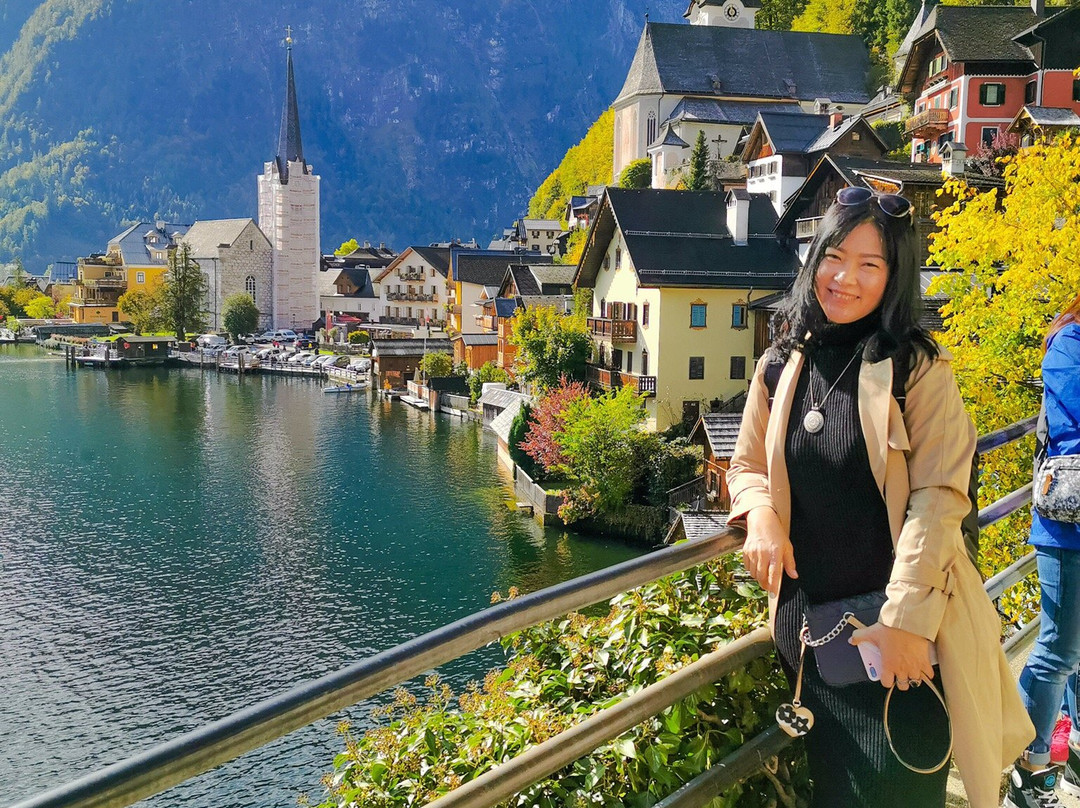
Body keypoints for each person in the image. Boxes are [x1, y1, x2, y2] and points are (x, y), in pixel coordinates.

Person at [727, 187, 1033, 808]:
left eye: (870, 265)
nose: (845, 278)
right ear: (814, 259)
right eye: (835, 256)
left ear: (894, 279)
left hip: (894, 641)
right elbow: (747, 463)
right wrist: (758, 510)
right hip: (810, 639)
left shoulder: (916, 369)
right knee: (834, 790)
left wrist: (904, 626)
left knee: (898, 787)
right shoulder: (781, 364)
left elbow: (939, 501)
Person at [1007, 295, 1080, 808]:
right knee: (1057, 650)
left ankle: (1070, 747)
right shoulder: (1068, 344)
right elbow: (1071, 428)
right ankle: (1029, 772)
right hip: (1069, 529)